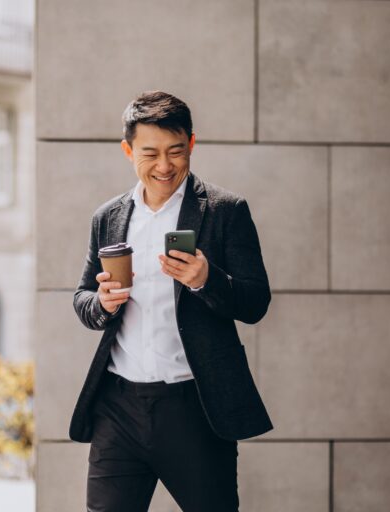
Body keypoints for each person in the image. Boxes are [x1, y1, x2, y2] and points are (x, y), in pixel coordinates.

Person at [72, 90, 273, 511]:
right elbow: (83, 298)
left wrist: (207, 280)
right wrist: (102, 304)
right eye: (150, 153)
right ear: (128, 151)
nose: (164, 166)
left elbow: (255, 302)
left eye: (176, 152)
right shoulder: (108, 217)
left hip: (195, 406)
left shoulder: (225, 212)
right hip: (118, 407)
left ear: (192, 145)